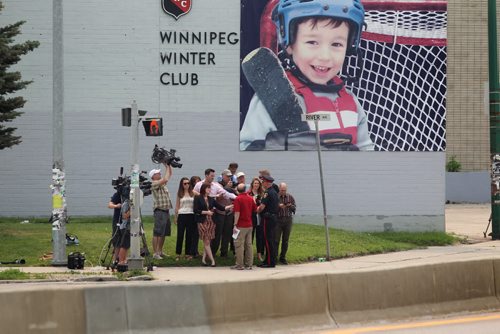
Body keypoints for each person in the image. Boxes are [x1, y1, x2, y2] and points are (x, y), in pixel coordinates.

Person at [240, 0, 374, 151]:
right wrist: (282, 147)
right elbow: (246, 149)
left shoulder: (352, 103)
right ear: (290, 44)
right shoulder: (273, 96)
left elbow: (366, 151)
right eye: (312, 42)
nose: (325, 56)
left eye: (336, 44)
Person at [193, 183, 232, 267]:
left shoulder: (211, 199)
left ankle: (203, 260)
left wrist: (231, 205)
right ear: (203, 189)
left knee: (207, 241)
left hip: (211, 221)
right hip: (202, 221)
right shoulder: (198, 198)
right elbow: (195, 210)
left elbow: (221, 207)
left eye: (210, 188)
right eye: (208, 188)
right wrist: (206, 212)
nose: (209, 190)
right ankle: (212, 261)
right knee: (206, 241)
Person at [150, 163, 173, 260]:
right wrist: (167, 167)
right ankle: (155, 253)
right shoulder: (154, 183)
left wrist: (168, 165)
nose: (160, 174)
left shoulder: (161, 183)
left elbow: (169, 175)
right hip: (159, 211)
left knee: (164, 232)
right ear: (153, 176)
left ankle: (160, 251)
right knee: (158, 232)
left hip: (166, 210)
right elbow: (166, 178)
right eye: (158, 173)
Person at [232, 183, 257, 270]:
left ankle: (239, 264)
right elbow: (255, 209)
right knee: (249, 245)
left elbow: (237, 212)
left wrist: (235, 224)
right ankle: (249, 264)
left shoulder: (238, 199)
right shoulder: (250, 198)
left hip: (241, 225)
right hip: (249, 224)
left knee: (239, 245)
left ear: (237, 190)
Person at [257, 174, 280, 268]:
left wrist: (257, 210)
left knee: (268, 240)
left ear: (267, 182)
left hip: (267, 218)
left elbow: (262, 207)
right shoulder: (274, 192)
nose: (262, 183)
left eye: (263, 182)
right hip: (273, 218)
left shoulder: (267, 193)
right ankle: (268, 260)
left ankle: (270, 262)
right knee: (270, 240)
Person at [212, 169, 236, 257]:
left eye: (230, 176)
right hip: (219, 212)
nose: (229, 178)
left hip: (229, 212)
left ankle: (224, 253)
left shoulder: (231, 186)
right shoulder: (217, 185)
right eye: (227, 176)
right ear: (223, 176)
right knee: (217, 233)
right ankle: (213, 252)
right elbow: (215, 199)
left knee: (227, 233)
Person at [174, 177, 196, 261]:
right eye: (185, 183)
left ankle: (188, 253)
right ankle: (178, 253)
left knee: (189, 235)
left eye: (188, 183)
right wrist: (176, 217)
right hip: (182, 214)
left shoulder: (193, 193)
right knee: (180, 235)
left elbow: (202, 194)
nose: (187, 185)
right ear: (182, 185)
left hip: (191, 214)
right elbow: (177, 206)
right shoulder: (180, 193)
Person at [276, 182, 296, 265]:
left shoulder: (290, 197)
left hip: (288, 220)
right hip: (278, 220)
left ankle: (283, 257)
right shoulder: (276, 197)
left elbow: (294, 208)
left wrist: (290, 206)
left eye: (284, 190)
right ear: (279, 189)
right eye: (282, 190)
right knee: (276, 240)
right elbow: (272, 208)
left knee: (285, 240)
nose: (283, 192)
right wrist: (279, 206)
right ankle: (274, 256)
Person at [249, 177, 265, 262]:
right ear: (252, 184)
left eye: (258, 184)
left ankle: (259, 254)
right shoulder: (248, 194)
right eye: (255, 183)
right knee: (250, 236)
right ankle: (249, 255)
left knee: (259, 237)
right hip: (251, 217)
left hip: (259, 217)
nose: (256, 185)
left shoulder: (262, 194)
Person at [108, 189, 122, 263]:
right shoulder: (117, 194)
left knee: (125, 240)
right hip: (118, 219)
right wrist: (116, 206)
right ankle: (115, 259)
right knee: (116, 239)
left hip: (127, 219)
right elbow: (110, 205)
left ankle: (122, 258)